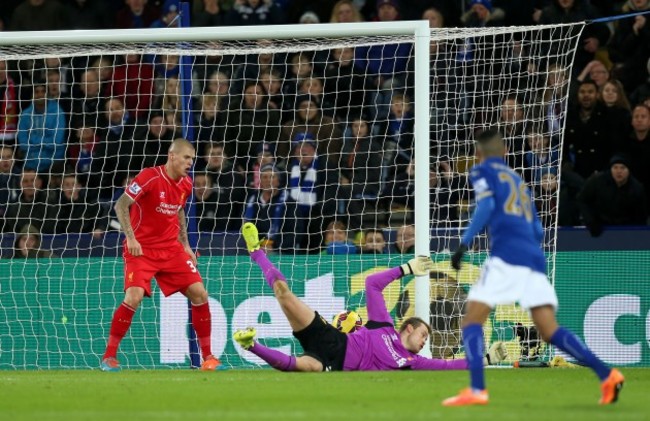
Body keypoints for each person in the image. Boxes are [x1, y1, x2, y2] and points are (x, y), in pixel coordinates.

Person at [443, 129, 624, 406]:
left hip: (506, 256)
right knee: (549, 330)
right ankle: (607, 375)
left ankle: (477, 390)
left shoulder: (482, 172)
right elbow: (538, 229)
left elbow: (486, 206)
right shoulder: (518, 180)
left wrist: (464, 244)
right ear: (504, 153)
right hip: (534, 257)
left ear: (478, 154)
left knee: (471, 321)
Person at [233, 222, 507, 372]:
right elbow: (372, 284)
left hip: (333, 366)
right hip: (329, 337)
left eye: (426, 339)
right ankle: (257, 252)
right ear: (408, 327)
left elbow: (449, 365)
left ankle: (251, 345)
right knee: (283, 294)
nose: (425, 341)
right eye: (423, 334)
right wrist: (407, 269)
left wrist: (487, 360)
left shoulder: (412, 362)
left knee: (304, 367)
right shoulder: (384, 325)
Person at [100, 138, 220, 372]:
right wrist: (131, 237)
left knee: (200, 293)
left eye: (193, 159)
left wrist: (185, 244)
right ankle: (109, 356)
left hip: (171, 249)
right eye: (186, 158)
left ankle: (208, 358)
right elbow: (121, 205)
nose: (190, 163)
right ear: (172, 156)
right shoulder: (149, 177)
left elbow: (179, 211)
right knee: (133, 297)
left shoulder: (186, 184)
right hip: (141, 249)